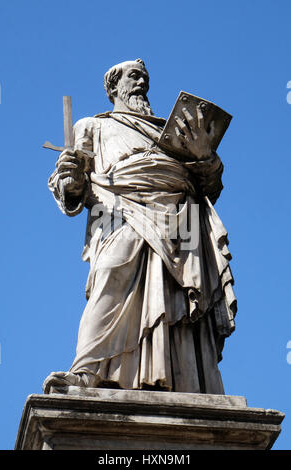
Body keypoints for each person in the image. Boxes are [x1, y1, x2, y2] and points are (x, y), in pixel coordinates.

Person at [43, 59, 236, 394]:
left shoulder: (172, 133)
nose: (141, 84)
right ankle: (86, 370)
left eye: (145, 78)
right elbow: (72, 188)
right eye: (134, 77)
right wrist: (70, 177)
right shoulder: (92, 126)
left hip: (182, 212)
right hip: (119, 209)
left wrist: (205, 156)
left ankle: (189, 380)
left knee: (181, 295)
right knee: (110, 275)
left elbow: (211, 186)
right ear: (113, 86)